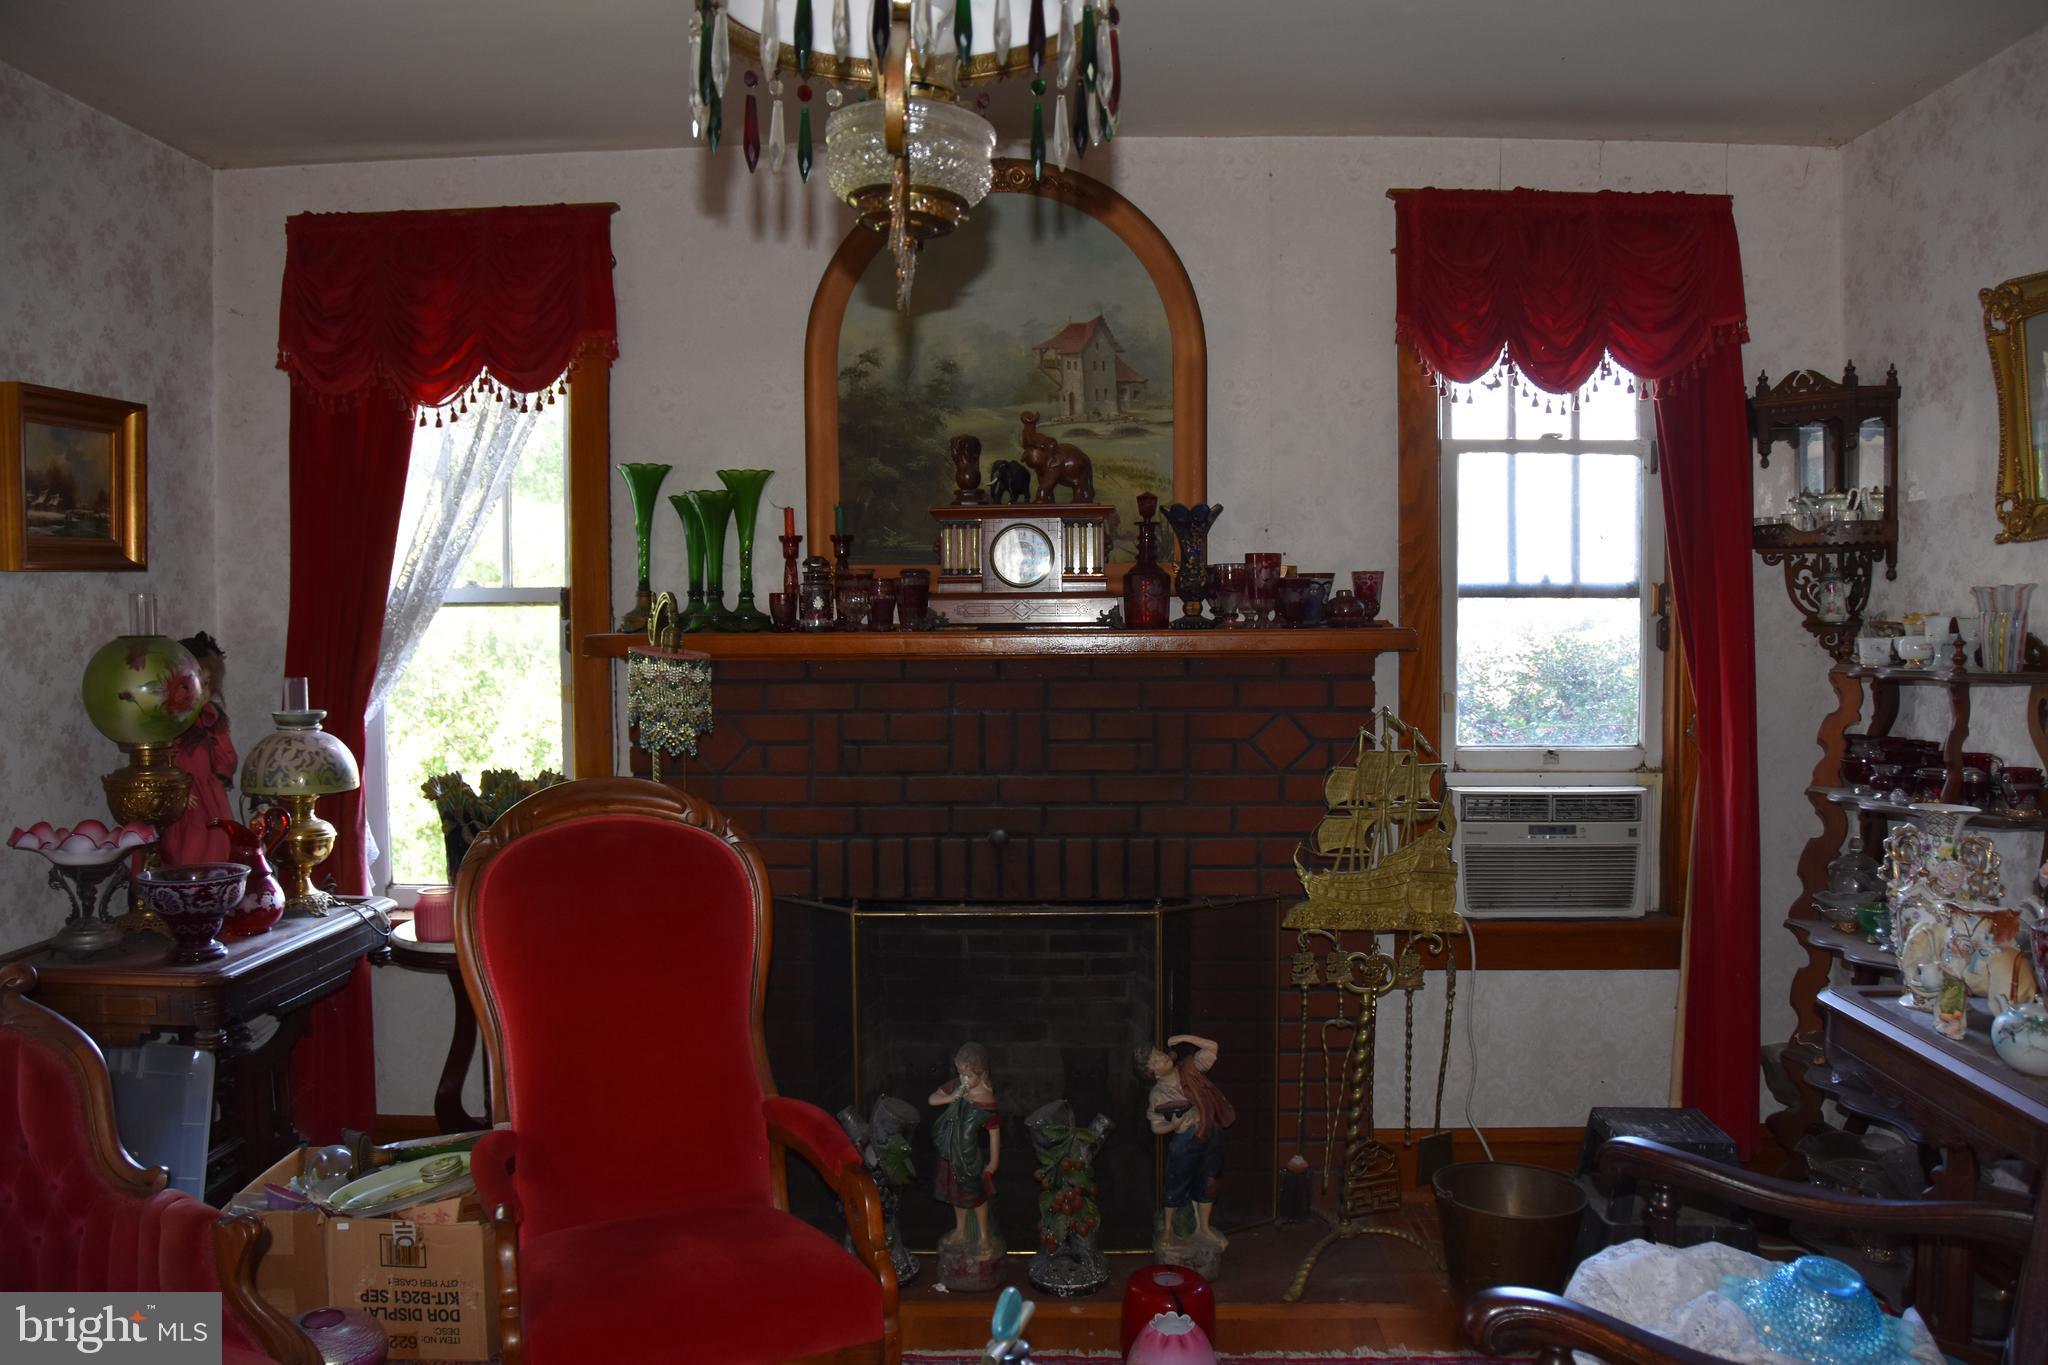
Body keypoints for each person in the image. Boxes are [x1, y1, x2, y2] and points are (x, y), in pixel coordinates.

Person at [1141, 1032, 1235, 1249]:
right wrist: (1174, 1125)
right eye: (1154, 1061)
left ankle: (1204, 1227)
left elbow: (1212, 1048)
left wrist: (1186, 1039)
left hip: (1211, 1132)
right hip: (1185, 1140)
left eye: (1159, 1053)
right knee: (1176, 1181)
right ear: (1152, 1073)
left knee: (1209, 1179)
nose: (1161, 1057)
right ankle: (1168, 1228)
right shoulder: (1158, 1095)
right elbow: (1156, 1126)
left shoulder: (1190, 1068)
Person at [162, 632, 235, 866]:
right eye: (199, 684)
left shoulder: (211, 718)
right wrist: (175, 790)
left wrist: (219, 777)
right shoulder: (170, 723)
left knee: (216, 842)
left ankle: (211, 883)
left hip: (209, 795)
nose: (205, 691)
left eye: (208, 684)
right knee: (186, 845)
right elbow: (161, 760)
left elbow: (227, 756)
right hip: (182, 794)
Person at [929, 1042, 1003, 1253]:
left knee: (976, 1196)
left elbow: (994, 1135)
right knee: (956, 1195)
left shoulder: (987, 1103)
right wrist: (951, 1097)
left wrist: (993, 1163)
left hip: (970, 1158)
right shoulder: (958, 1087)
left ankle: (984, 1237)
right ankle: (960, 1230)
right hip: (951, 1153)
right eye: (960, 1074)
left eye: (968, 1075)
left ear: (982, 1072)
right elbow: (932, 1099)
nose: (963, 1079)